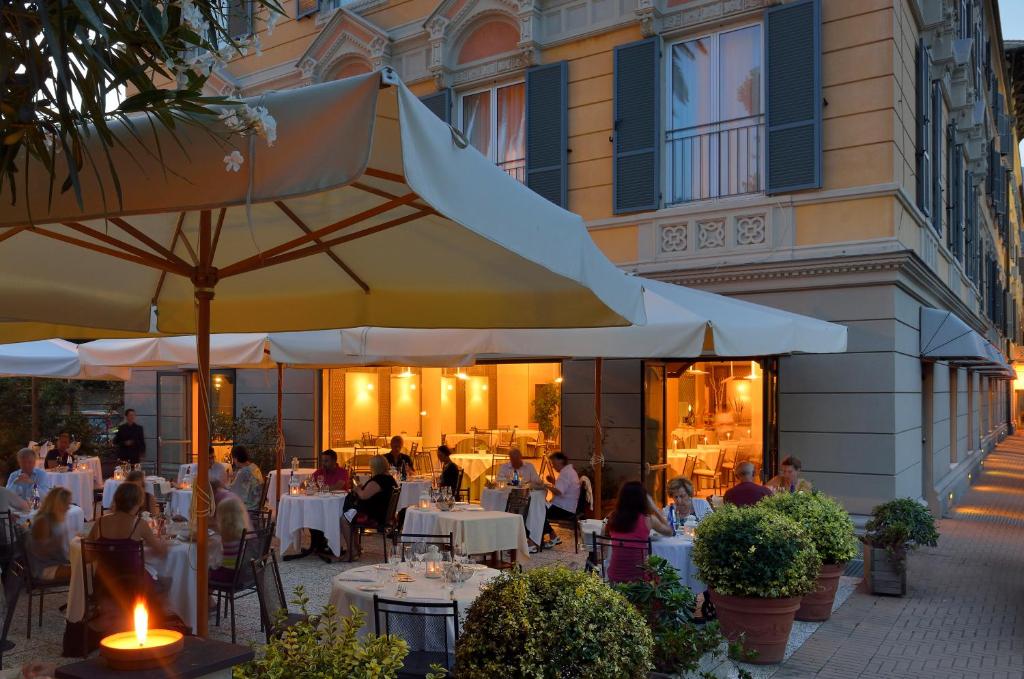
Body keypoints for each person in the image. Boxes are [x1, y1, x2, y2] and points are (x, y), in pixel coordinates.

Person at [602, 481, 672, 583]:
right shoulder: (648, 520)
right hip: (639, 580)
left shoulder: (613, 517)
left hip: (614, 577)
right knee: (662, 574)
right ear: (643, 500)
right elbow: (670, 532)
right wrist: (655, 508)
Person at [86, 482, 168, 559]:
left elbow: (87, 556)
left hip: (102, 574)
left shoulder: (100, 521)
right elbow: (160, 552)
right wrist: (164, 542)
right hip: (132, 574)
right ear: (139, 502)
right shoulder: (139, 523)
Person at [341, 455, 398, 560]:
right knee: (350, 516)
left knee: (345, 519)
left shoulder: (378, 480)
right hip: (384, 514)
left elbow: (363, 495)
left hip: (374, 516)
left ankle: (352, 551)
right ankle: (356, 547)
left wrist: (357, 489)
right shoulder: (390, 479)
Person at [27, 487, 73, 581]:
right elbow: (42, 551)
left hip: (55, 562)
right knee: (85, 570)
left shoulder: (53, 520)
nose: (69, 507)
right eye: (67, 503)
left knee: (90, 566)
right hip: (45, 568)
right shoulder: (43, 521)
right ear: (58, 504)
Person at [541, 452, 580, 548]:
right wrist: (553, 482)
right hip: (567, 506)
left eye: (554, 463)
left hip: (564, 509)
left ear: (560, 461)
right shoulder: (569, 471)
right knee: (540, 508)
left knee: (538, 510)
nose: (553, 466)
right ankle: (551, 535)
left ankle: (551, 535)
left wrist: (545, 485)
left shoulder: (566, 473)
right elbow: (566, 487)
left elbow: (558, 492)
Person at [210, 496, 249, 581]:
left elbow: (216, 563)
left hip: (229, 575)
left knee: (202, 572)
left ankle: (206, 594)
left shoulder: (224, 538)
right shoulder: (242, 534)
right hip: (242, 573)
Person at [228, 445, 265, 512]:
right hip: (257, 502)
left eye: (233, 458)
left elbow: (233, 491)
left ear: (236, 459)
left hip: (250, 507)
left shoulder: (243, 472)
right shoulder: (254, 467)